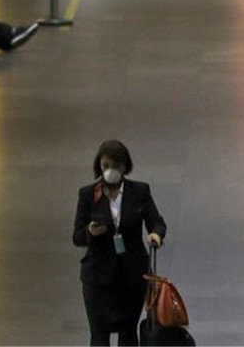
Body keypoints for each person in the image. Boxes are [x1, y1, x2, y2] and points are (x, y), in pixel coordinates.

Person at [73, 140, 167, 347]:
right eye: (106, 166)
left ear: (125, 167)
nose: (110, 171)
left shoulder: (140, 192)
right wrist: (90, 231)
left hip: (131, 277)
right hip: (97, 278)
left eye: (115, 167)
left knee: (128, 333)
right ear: (100, 166)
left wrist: (155, 235)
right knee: (99, 334)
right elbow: (77, 236)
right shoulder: (88, 195)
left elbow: (156, 222)